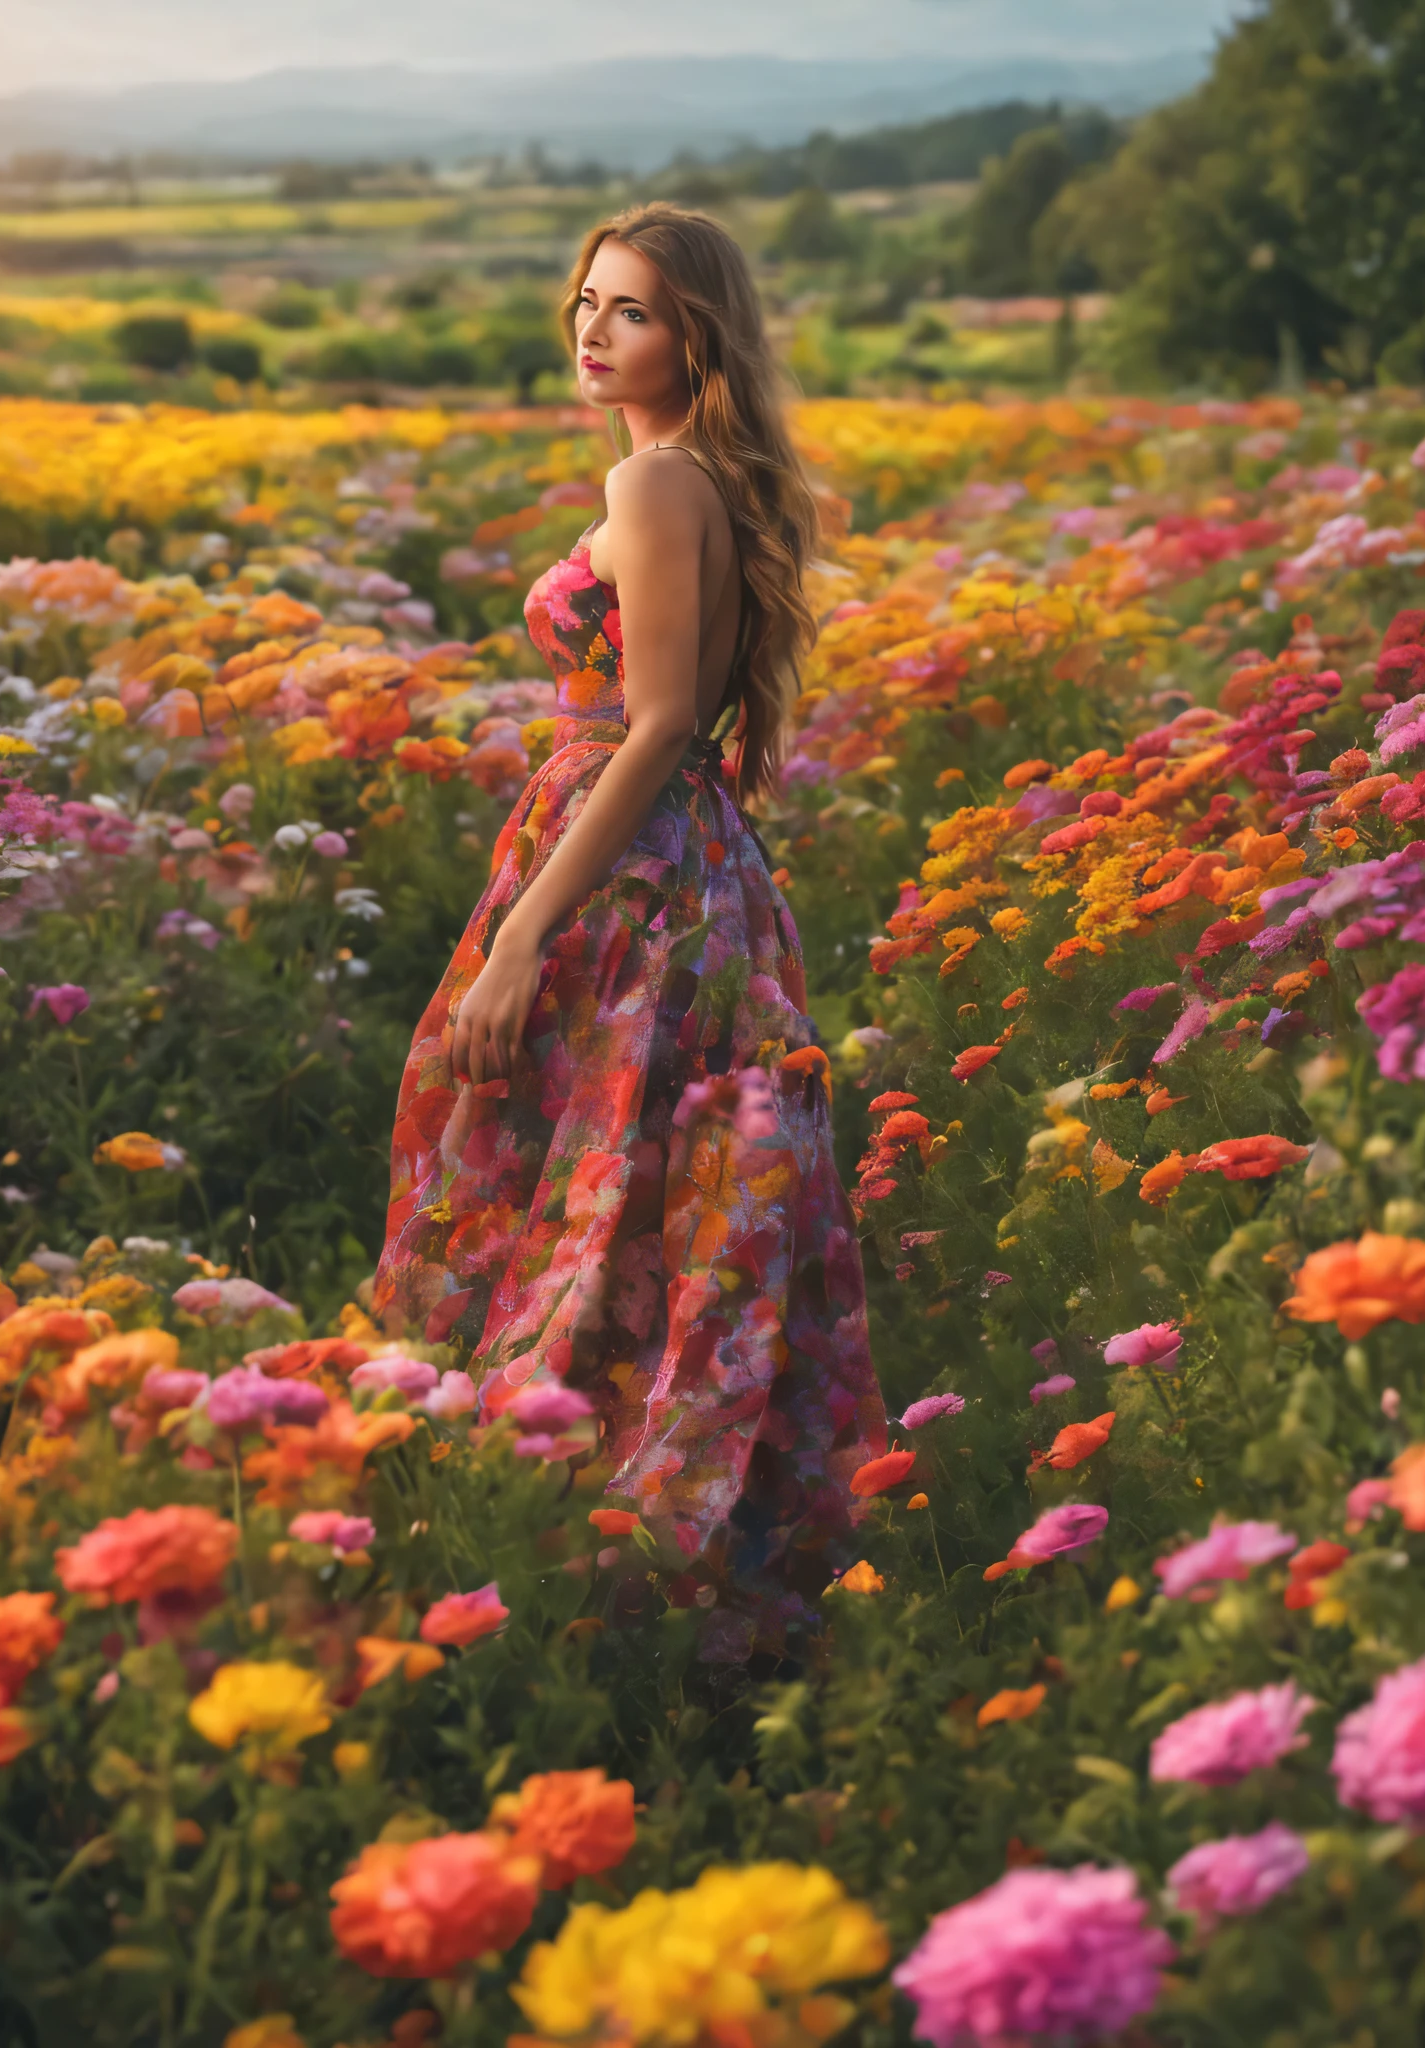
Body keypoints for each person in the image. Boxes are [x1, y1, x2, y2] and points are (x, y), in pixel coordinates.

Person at [370, 202, 886, 1661]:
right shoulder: (677, 474)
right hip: (661, 860)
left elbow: (658, 725)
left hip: (632, 876)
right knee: (632, 1199)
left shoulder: (664, 487)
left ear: (696, 334)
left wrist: (528, 931)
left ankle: (582, 1567)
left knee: (593, 1192)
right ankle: (608, 1552)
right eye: (589, 302)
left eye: (635, 311)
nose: (597, 332)